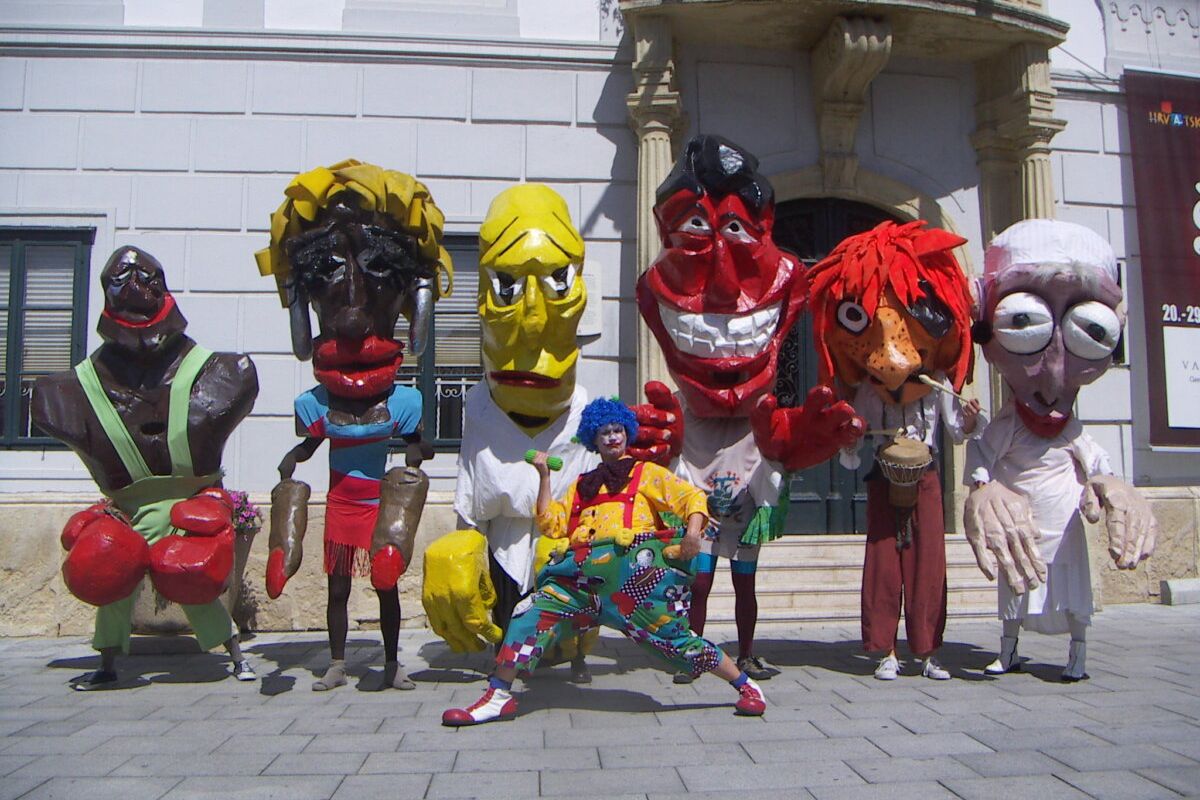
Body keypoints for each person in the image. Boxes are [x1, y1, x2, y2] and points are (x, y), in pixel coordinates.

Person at [441, 397, 768, 725]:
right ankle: (499, 696)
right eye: (604, 432)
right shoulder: (582, 485)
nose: (612, 437)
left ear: (627, 433)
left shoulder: (646, 474)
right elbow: (551, 524)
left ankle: (745, 685)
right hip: (580, 582)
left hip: (635, 585)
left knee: (677, 641)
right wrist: (544, 476)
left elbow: (692, 498)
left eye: (617, 430)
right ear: (593, 440)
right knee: (529, 615)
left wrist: (693, 533)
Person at [255, 160, 450, 691]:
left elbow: (416, 445)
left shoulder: (404, 402)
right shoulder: (317, 405)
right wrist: (290, 470)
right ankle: (336, 661)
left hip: (379, 508)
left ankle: (391, 664)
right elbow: (304, 451)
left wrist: (415, 459)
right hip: (341, 505)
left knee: (386, 585)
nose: (352, 318)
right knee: (338, 589)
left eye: (377, 275)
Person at [33, 246, 258, 689]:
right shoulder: (63, 395)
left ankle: (233, 653)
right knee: (112, 575)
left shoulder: (227, 373)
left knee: (193, 579)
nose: (135, 286)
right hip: (128, 511)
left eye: (146, 278)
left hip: (189, 508)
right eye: (122, 280)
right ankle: (108, 661)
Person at [966, 219, 1157, 681]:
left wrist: (1112, 485)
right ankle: (1009, 650)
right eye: (1024, 323)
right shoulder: (1008, 427)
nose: (1052, 380)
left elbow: (1097, 464)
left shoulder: (1072, 431)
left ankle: (1078, 654)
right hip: (1023, 526)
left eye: (1090, 331)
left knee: (1073, 592)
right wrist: (982, 489)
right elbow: (981, 455)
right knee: (1016, 587)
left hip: (1065, 526)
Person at [422, 185, 597, 682]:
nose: (533, 322)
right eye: (506, 286)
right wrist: (463, 539)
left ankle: (572, 654)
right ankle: (508, 661)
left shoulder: (585, 410)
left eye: (559, 282)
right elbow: (472, 477)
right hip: (503, 535)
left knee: (559, 590)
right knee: (507, 602)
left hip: (559, 538)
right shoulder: (480, 404)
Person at [807, 220, 980, 681]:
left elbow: (956, 433)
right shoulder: (869, 388)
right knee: (884, 563)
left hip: (926, 477)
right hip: (885, 476)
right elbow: (858, 434)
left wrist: (968, 418)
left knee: (929, 564)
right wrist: (849, 439)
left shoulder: (938, 383)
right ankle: (885, 650)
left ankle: (928, 652)